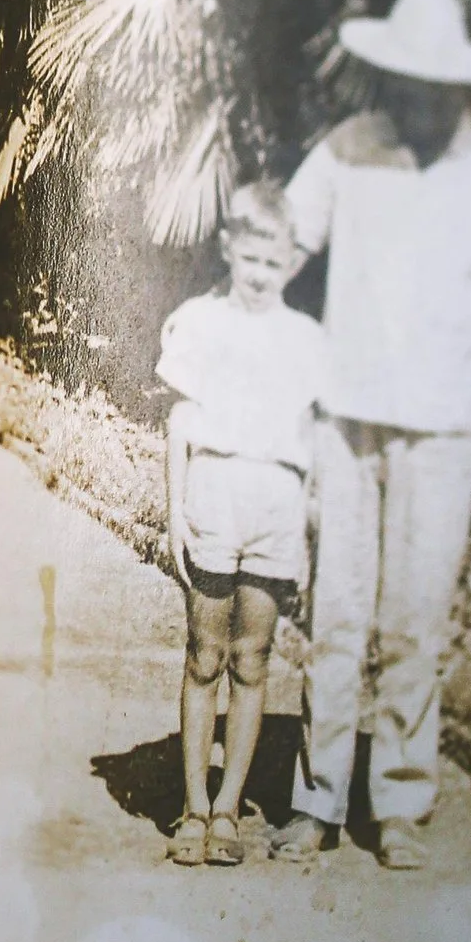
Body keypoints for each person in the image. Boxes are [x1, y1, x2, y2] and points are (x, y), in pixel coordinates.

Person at [274, 0, 471, 873]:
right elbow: (280, 244)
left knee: (415, 621)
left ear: (460, 90)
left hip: (444, 432)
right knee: (336, 613)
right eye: (402, 82)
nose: (415, 99)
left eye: (432, 86)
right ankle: (316, 800)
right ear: (388, 79)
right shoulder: (349, 150)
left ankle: (398, 801)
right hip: (349, 417)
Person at [156, 183, 326, 866]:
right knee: (205, 655)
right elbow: (179, 423)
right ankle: (192, 807)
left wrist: (307, 537)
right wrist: (174, 514)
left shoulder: (307, 340)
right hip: (216, 497)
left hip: (277, 508)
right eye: (249, 258)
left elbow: (311, 445)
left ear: (292, 261)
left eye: (273, 260)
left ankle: (229, 810)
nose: (260, 273)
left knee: (253, 660)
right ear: (229, 249)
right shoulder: (199, 321)